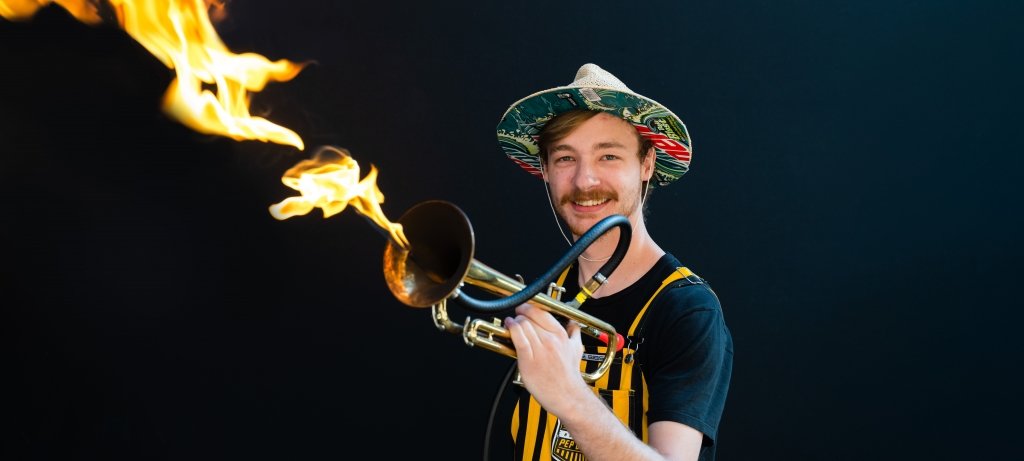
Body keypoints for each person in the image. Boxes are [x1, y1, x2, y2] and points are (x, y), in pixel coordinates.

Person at [495, 63, 734, 461]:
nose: (585, 181)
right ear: (546, 172)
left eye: (608, 155)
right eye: (566, 158)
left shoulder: (687, 311)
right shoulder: (545, 298)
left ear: (646, 165)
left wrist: (570, 396)